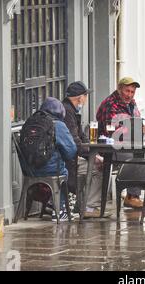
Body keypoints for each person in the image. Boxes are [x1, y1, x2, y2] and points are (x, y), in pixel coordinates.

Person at [96, 77, 145, 209]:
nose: (129, 95)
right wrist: (136, 129)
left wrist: (142, 128)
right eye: (127, 91)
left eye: (132, 92)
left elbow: (137, 122)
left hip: (130, 144)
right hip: (111, 148)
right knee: (140, 158)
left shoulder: (132, 103)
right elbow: (111, 130)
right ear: (119, 89)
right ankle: (132, 196)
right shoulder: (110, 104)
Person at [62, 81, 109, 219]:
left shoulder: (71, 110)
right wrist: (92, 156)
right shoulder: (67, 112)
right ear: (80, 98)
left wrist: (93, 153)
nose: (86, 99)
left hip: (71, 157)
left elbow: (81, 136)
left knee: (97, 164)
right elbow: (75, 142)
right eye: (85, 96)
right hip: (67, 161)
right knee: (99, 168)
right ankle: (89, 207)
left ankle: (83, 204)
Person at [29, 97, 77, 222]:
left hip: (29, 170)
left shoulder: (31, 122)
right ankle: (60, 210)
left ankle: (51, 203)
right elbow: (71, 151)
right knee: (64, 172)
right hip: (50, 170)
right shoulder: (58, 125)